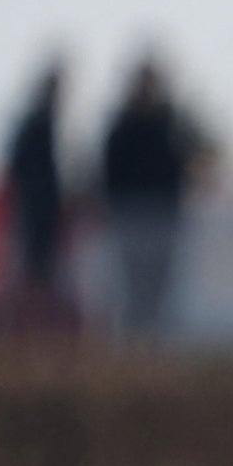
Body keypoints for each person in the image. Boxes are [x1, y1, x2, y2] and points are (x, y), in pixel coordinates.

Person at [90, 49, 199, 334]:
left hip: (162, 216)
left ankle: (157, 358)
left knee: (161, 294)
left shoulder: (168, 123)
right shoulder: (122, 126)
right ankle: (132, 359)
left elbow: (182, 166)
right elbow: (109, 173)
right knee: (131, 293)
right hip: (130, 216)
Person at [0, 54, 70, 329]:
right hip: (29, 211)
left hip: (42, 214)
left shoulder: (48, 125)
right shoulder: (35, 124)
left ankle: (32, 328)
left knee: (40, 278)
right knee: (22, 275)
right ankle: (7, 327)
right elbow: (16, 170)